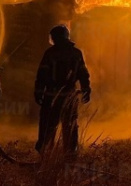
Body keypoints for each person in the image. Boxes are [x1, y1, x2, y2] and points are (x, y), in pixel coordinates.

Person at [34, 24, 91, 157]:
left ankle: (45, 152)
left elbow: (42, 74)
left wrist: (38, 91)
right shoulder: (76, 53)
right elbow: (83, 74)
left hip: (51, 96)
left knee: (48, 125)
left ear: (54, 37)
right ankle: (71, 152)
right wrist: (86, 89)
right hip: (70, 96)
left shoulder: (50, 53)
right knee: (70, 125)